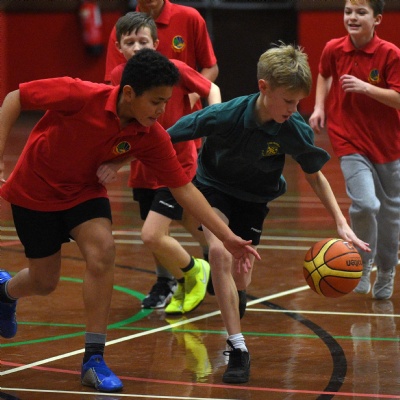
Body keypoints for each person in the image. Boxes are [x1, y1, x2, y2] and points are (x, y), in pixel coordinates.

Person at [0, 49, 259, 392]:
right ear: (128, 93)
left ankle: (94, 359)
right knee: (44, 281)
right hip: (34, 191)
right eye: (155, 101)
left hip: (84, 193)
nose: (161, 110)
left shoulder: (149, 135)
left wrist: (226, 236)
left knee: (103, 251)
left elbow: (184, 189)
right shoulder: (79, 94)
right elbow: (15, 98)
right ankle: (5, 292)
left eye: (166, 101)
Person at [167, 43, 370, 384]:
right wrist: (119, 156)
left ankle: (237, 295)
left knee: (240, 276)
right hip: (214, 187)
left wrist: (340, 221)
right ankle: (238, 347)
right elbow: (165, 136)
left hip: (255, 199)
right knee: (219, 251)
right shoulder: (225, 115)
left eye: (298, 102)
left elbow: (314, 175)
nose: (293, 109)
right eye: (288, 101)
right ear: (264, 87)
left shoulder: (293, 128)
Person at [106, 0, 219, 303]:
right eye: (130, 42)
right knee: (175, 223)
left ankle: (196, 269)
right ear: (119, 46)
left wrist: (215, 123)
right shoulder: (119, 76)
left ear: (156, 43)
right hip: (143, 165)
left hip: (177, 160)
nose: (137, 47)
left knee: (153, 232)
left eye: (143, 41)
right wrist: (115, 160)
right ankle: (179, 275)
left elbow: (211, 86)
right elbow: (117, 118)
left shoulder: (173, 68)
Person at [309, 0, 400, 300]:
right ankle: (361, 263)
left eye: (361, 12)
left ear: (377, 19)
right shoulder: (333, 48)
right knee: (365, 205)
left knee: (390, 214)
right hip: (348, 140)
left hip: (388, 144)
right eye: (348, 11)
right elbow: (324, 74)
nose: (352, 17)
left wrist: (366, 88)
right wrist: (319, 107)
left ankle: (386, 269)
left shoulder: (390, 54)